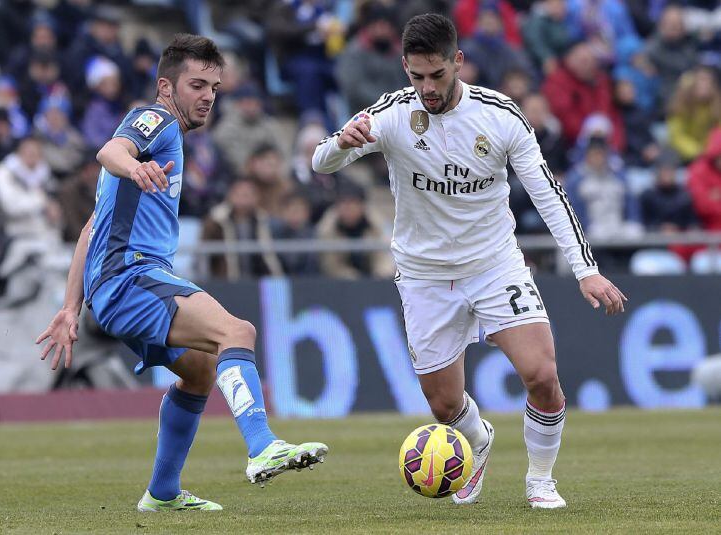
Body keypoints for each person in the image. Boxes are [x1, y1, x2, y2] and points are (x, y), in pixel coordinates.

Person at [312, 13, 626, 509]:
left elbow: (548, 194)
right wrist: (338, 145)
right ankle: (477, 443)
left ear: (458, 62)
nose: (427, 88)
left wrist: (585, 269)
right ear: (405, 69)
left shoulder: (500, 116)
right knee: (443, 405)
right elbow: (319, 163)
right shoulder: (392, 113)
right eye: (416, 77)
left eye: (436, 75)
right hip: (423, 274)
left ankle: (540, 480)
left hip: (493, 263)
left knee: (542, 375)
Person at [36, 34, 327, 513]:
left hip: (113, 288)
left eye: (214, 86)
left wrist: (70, 307)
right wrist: (132, 165)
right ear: (166, 86)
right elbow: (109, 151)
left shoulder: (162, 142)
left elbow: (90, 229)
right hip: (133, 279)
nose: (208, 95)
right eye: (197, 84)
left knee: (201, 372)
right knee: (238, 330)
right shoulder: (157, 121)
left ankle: (163, 493)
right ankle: (263, 447)